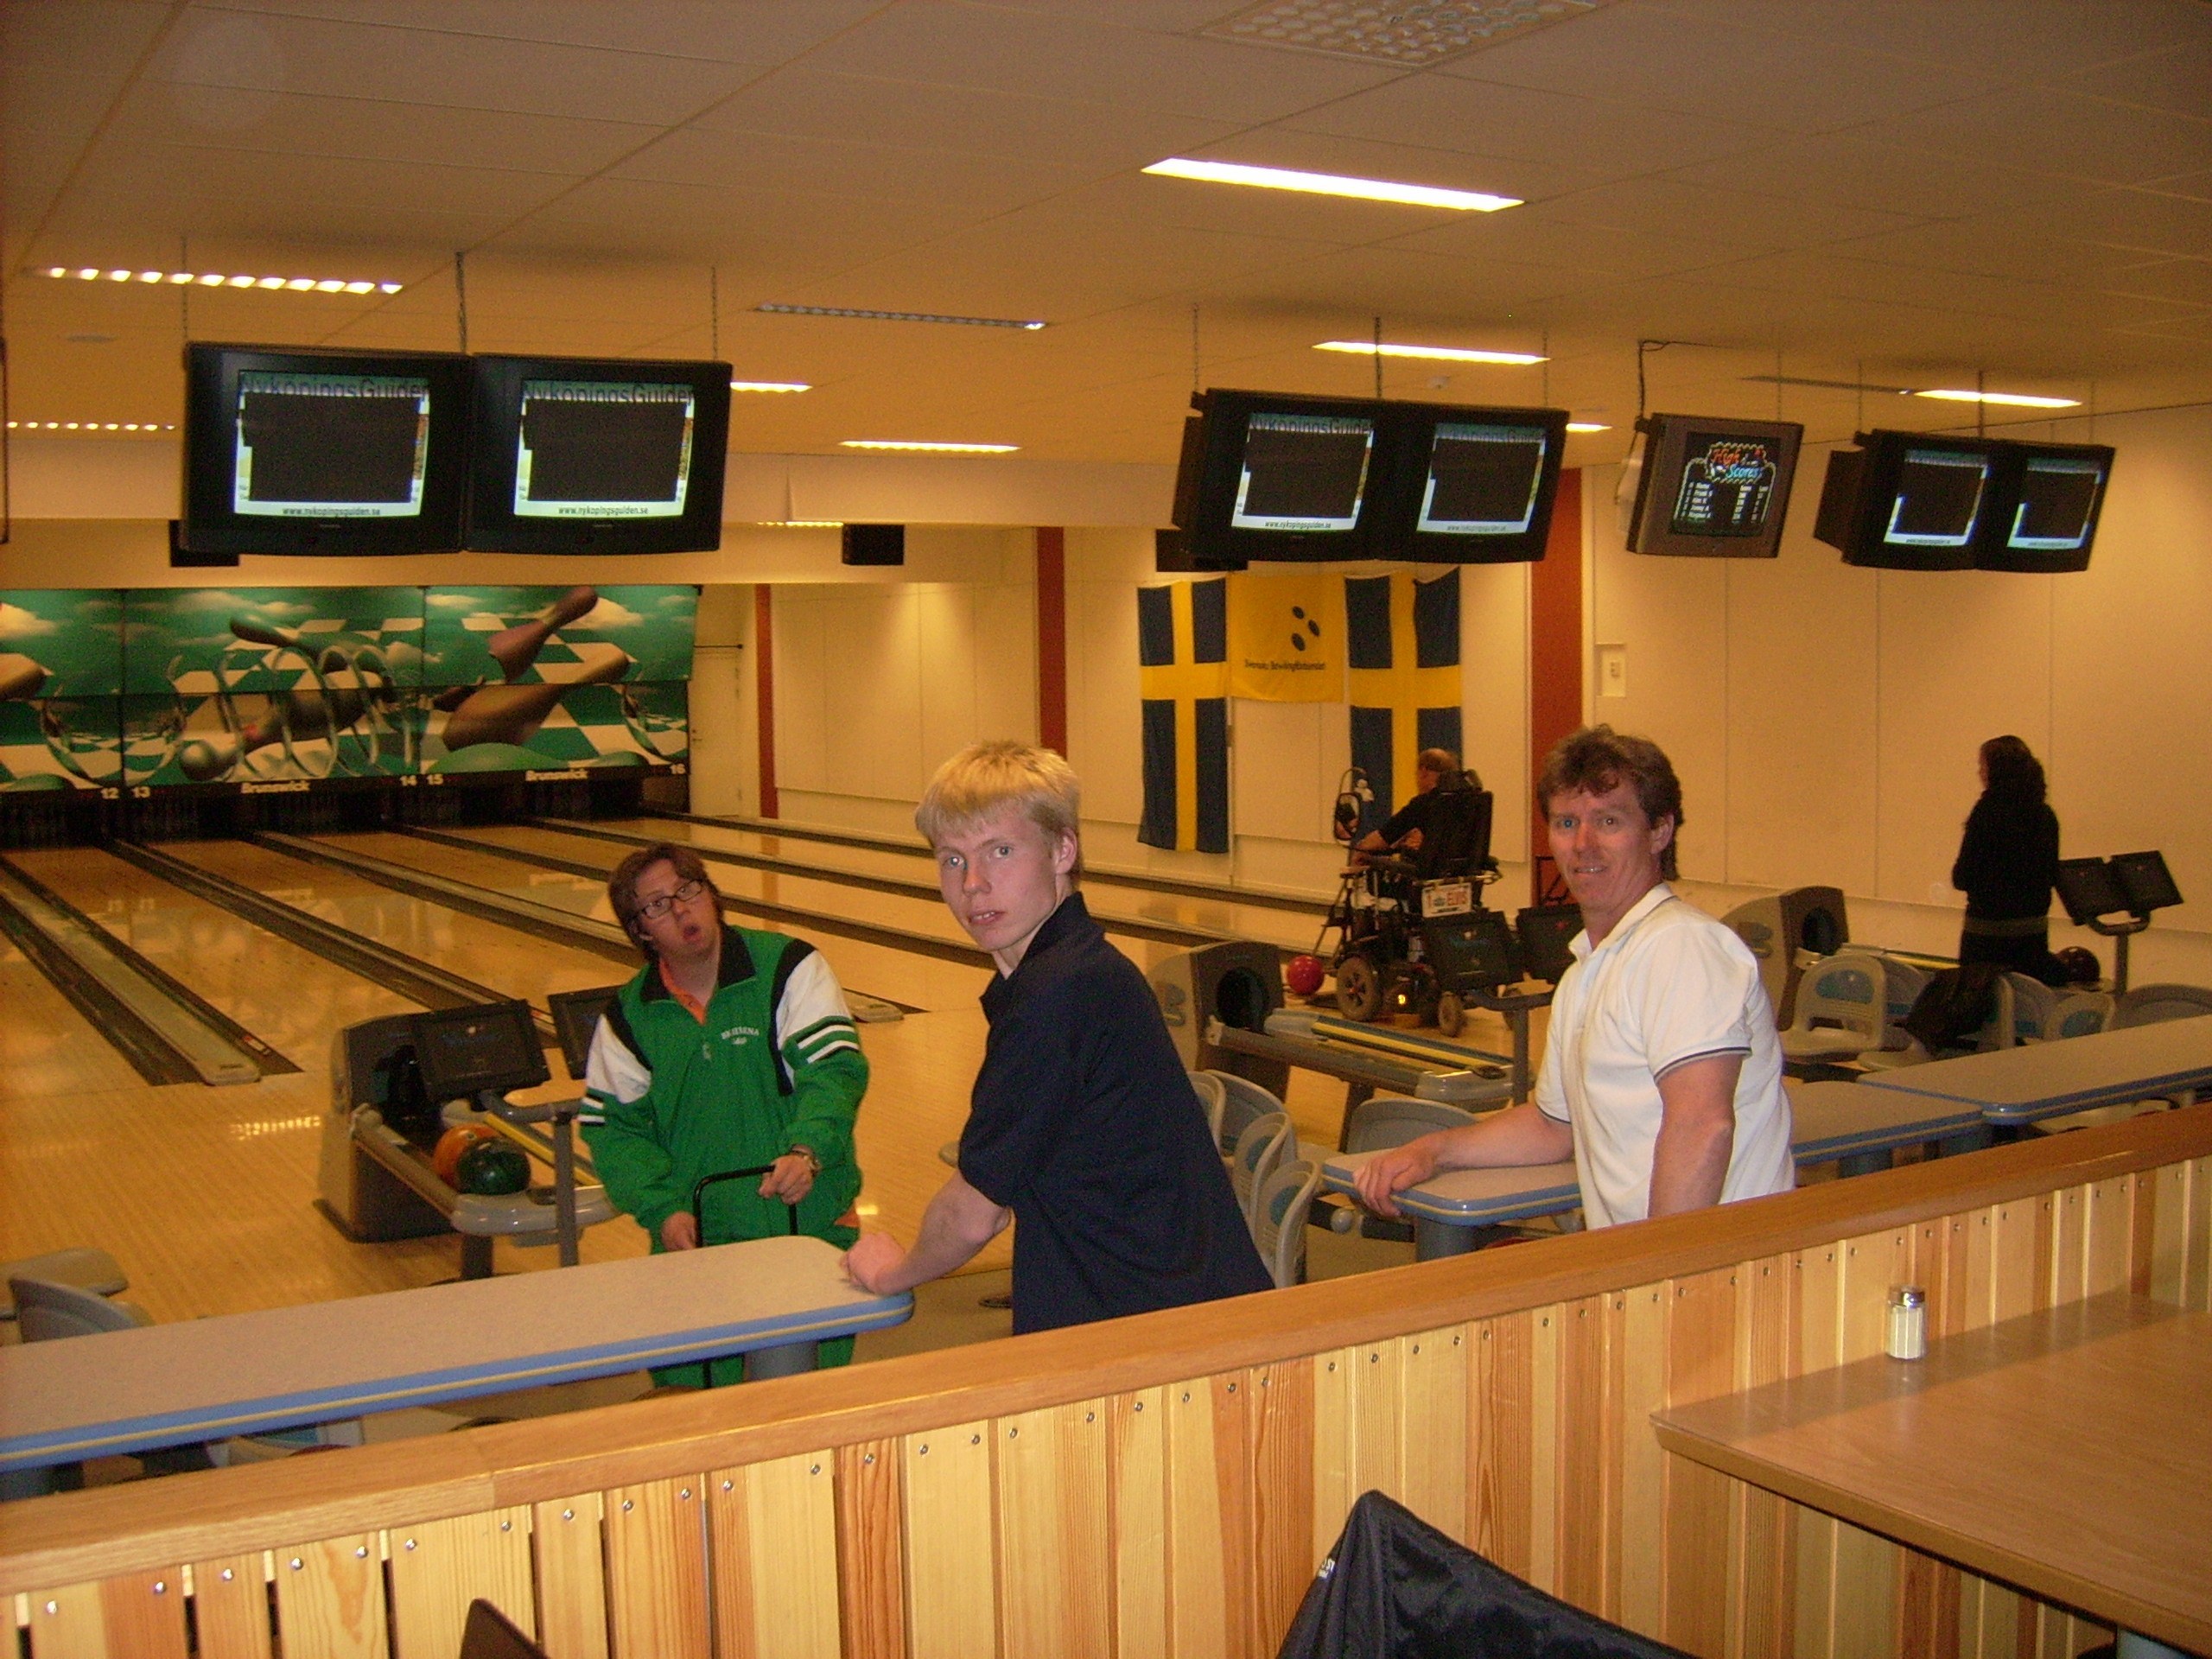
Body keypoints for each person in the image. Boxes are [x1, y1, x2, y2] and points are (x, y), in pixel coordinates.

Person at [843, 741, 1270, 1332]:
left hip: (1153, 1329)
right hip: (1165, 1309)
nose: (973, 884)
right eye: (952, 859)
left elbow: (975, 1213)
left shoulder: (1060, 995)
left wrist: (894, 1271)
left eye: (1001, 851)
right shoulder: (1076, 971)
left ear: (1062, 850)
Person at [1354, 726, 1794, 1230]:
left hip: (1715, 1264)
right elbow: (1554, 1126)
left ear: (1659, 831)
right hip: (1644, 1258)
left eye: (1608, 821)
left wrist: (1656, 1265)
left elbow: (1702, 1126)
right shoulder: (1588, 971)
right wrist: (1434, 1150)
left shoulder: (1681, 947)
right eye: (1567, 822)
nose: (1583, 844)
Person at [582, 842, 868, 1384]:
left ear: (712, 894)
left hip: (804, 1227)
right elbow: (614, 1130)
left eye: (688, 890)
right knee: (696, 1410)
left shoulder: (789, 968)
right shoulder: (629, 1015)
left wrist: (807, 1150)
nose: (681, 910)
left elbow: (832, 1072)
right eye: (658, 905)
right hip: (697, 1241)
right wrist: (663, 1210)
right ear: (640, 931)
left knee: (810, 1406)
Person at [1952, 734, 2063, 983]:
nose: (1980, 772)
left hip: (1986, 936)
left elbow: (1963, 876)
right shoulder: (2045, 815)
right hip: (2033, 934)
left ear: (1997, 771)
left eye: (1983, 766)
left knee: (1981, 998)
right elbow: (2051, 874)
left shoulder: (1987, 812)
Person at [1352, 748, 1480, 865]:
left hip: (1430, 875)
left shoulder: (1423, 803)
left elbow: (1383, 838)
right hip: (1467, 872)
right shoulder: (1471, 801)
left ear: (1423, 771)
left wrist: (1361, 848)